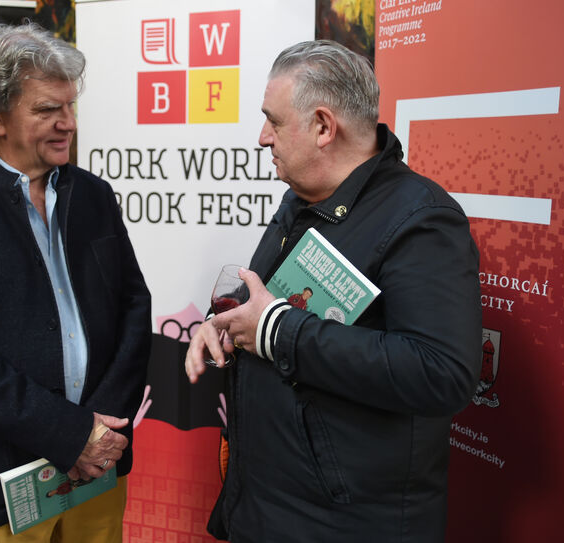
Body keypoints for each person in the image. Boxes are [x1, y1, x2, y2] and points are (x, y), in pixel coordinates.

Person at [185, 40, 481, 542]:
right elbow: (269, 299)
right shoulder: (298, 199)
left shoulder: (422, 220)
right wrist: (226, 323)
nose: (262, 138)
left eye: (274, 122)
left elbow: (442, 372)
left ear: (324, 127)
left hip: (346, 524)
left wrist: (278, 330)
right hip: (266, 505)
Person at [0, 23, 151, 543]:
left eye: (69, 106)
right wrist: (71, 434)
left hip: (99, 469)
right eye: (46, 111)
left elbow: (134, 304)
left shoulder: (95, 195)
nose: (68, 124)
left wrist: (102, 435)